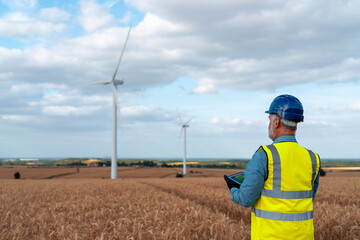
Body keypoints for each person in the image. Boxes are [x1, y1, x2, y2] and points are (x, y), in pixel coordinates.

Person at [224, 94, 320, 240]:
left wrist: (233, 189)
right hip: (304, 236)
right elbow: (308, 197)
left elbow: (245, 199)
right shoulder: (313, 158)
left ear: (276, 122)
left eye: (269, 120)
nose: (269, 124)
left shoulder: (264, 155)